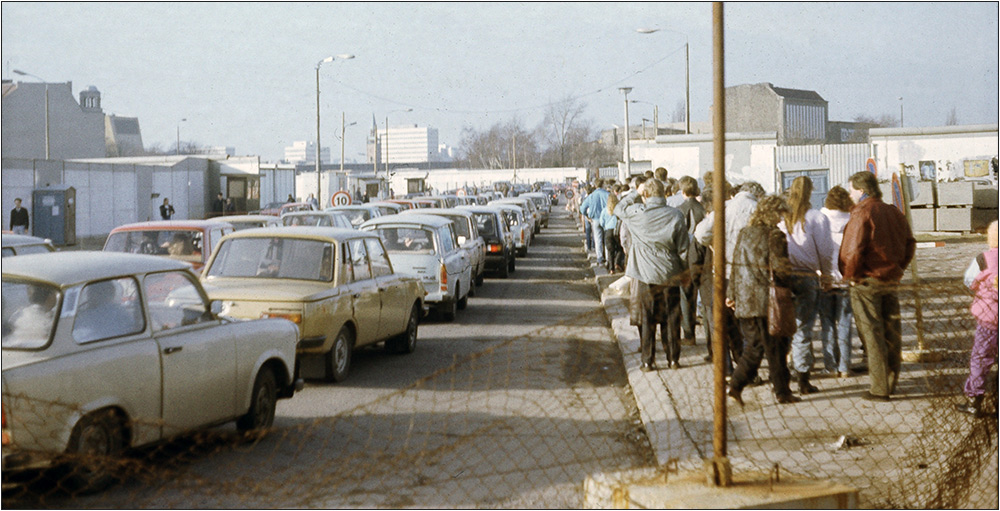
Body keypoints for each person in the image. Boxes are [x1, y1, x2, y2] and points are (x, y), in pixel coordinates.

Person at [839, 171, 915, 401]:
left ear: (861, 190)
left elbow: (852, 250)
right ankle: (891, 382)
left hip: (866, 281)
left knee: (872, 334)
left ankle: (879, 388)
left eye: (852, 190)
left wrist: (849, 276)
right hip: (890, 279)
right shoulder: (893, 211)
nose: (850, 194)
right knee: (892, 332)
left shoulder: (862, 212)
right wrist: (898, 268)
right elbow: (910, 243)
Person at [726, 195, 801, 405]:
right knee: (775, 347)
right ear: (772, 213)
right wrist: (793, 286)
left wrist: (731, 294)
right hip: (767, 300)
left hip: (745, 299)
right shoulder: (774, 236)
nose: (780, 219)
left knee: (755, 345)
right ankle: (782, 391)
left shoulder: (745, 233)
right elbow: (781, 269)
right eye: (779, 214)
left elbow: (736, 266)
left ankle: (737, 385)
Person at [614, 178, 689, 371]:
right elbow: (683, 248)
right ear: (664, 194)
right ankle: (674, 358)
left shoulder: (637, 214)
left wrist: (635, 192)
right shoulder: (676, 215)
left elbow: (618, 207)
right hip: (670, 272)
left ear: (645, 195)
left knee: (647, 318)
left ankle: (648, 360)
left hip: (645, 273)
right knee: (672, 316)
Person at [779, 176, 834, 395]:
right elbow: (825, 250)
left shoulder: (781, 218)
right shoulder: (816, 218)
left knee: (782, 326)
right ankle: (803, 377)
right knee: (803, 327)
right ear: (811, 192)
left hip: (783, 276)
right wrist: (827, 274)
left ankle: (785, 369)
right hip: (807, 276)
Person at [956, 220, 998, 417]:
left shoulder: (983, 259)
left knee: (981, 358)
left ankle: (975, 399)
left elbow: (968, 281)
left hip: (989, 320)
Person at [818, 186, 855, 378]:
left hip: (824, 278)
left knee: (827, 323)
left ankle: (830, 364)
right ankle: (845, 366)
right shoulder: (852, 222)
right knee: (845, 323)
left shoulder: (820, 220)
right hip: (845, 279)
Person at [675, 176, 704, 346]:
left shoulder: (680, 210)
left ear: (683, 191)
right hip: (703, 256)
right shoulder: (703, 208)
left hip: (685, 257)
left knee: (685, 296)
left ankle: (688, 333)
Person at [580, 179, 610, 266]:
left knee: (598, 239)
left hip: (595, 219)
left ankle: (600, 258)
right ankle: (608, 259)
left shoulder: (591, 196)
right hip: (607, 219)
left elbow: (582, 209)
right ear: (603, 184)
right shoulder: (607, 195)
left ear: (595, 186)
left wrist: (587, 215)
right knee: (606, 239)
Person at [600, 192, 623, 273]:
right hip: (617, 231)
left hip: (608, 231)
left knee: (610, 251)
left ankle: (611, 268)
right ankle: (617, 262)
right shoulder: (619, 210)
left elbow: (601, 222)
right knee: (620, 248)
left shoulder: (605, 210)